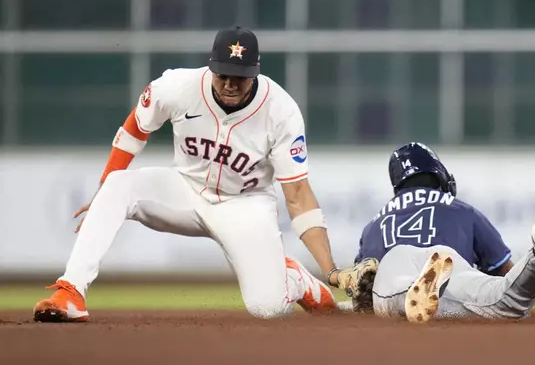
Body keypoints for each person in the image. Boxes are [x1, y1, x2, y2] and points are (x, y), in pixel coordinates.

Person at [33, 25, 377, 322]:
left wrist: (330, 271)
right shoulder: (178, 86)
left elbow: (298, 196)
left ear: (255, 72)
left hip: (245, 205)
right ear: (210, 66)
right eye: (222, 73)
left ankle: (296, 280)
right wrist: (102, 192)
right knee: (117, 184)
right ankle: (70, 291)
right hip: (183, 188)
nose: (229, 83)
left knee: (267, 309)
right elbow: (135, 128)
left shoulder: (281, 111)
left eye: (239, 77)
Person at [352, 142, 535, 322]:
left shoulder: (375, 224)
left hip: (397, 262)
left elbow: (361, 296)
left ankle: (414, 291)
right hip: (448, 260)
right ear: (439, 176)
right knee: (503, 301)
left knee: (389, 300)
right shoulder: (463, 210)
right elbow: (505, 270)